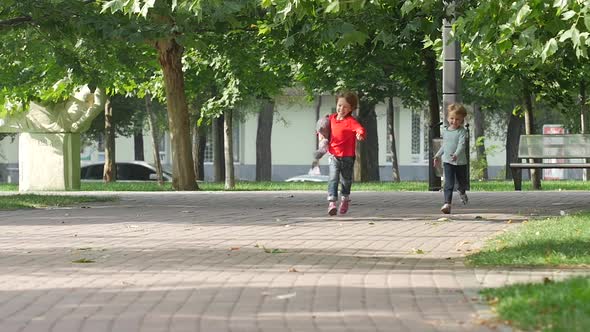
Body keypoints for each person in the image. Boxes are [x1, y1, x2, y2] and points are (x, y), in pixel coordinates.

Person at [326, 91, 366, 216]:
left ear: (351, 108)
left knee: (346, 180)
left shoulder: (351, 121)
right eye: (339, 105)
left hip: (348, 157)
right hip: (333, 155)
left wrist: (360, 134)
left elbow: (360, 128)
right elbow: (322, 128)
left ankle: (345, 199)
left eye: (345, 107)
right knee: (333, 178)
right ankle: (332, 202)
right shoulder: (331, 118)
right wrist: (321, 136)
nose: (341, 109)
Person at [433, 103, 469, 214]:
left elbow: (461, 145)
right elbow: (445, 146)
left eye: (458, 119)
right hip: (448, 162)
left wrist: (456, 154)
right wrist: (438, 155)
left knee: (462, 182)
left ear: (462, 119)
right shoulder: (446, 131)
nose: (454, 121)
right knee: (448, 182)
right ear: (448, 118)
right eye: (452, 118)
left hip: (460, 162)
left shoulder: (462, 131)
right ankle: (447, 204)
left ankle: (462, 191)